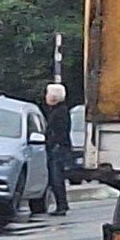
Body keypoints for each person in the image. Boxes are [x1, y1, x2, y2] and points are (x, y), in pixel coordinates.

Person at [40, 82, 72, 215]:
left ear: (53, 97)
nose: (46, 97)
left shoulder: (58, 113)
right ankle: (61, 204)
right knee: (56, 178)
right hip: (59, 148)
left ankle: (62, 205)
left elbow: (57, 132)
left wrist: (50, 142)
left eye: (47, 94)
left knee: (56, 178)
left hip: (57, 149)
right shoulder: (60, 111)